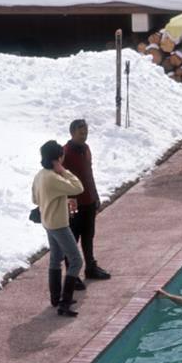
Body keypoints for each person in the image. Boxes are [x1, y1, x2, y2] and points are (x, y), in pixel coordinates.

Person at [31, 140, 85, 317]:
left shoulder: (40, 175)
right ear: (58, 158)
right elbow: (78, 187)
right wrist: (64, 171)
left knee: (55, 258)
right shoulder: (54, 177)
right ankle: (65, 302)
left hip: (48, 222)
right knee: (76, 260)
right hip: (59, 224)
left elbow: (36, 199)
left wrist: (59, 198)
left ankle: (56, 298)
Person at [62, 119, 111, 282]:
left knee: (88, 236)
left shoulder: (87, 149)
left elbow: (89, 174)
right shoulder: (65, 152)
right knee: (73, 239)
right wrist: (68, 201)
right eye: (81, 133)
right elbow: (61, 179)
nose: (84, 136)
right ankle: (72, 274)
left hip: (88, 200)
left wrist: (95, 195)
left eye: (86, 133)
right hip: (74, 204)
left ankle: (91, 267)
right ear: (72, 133)